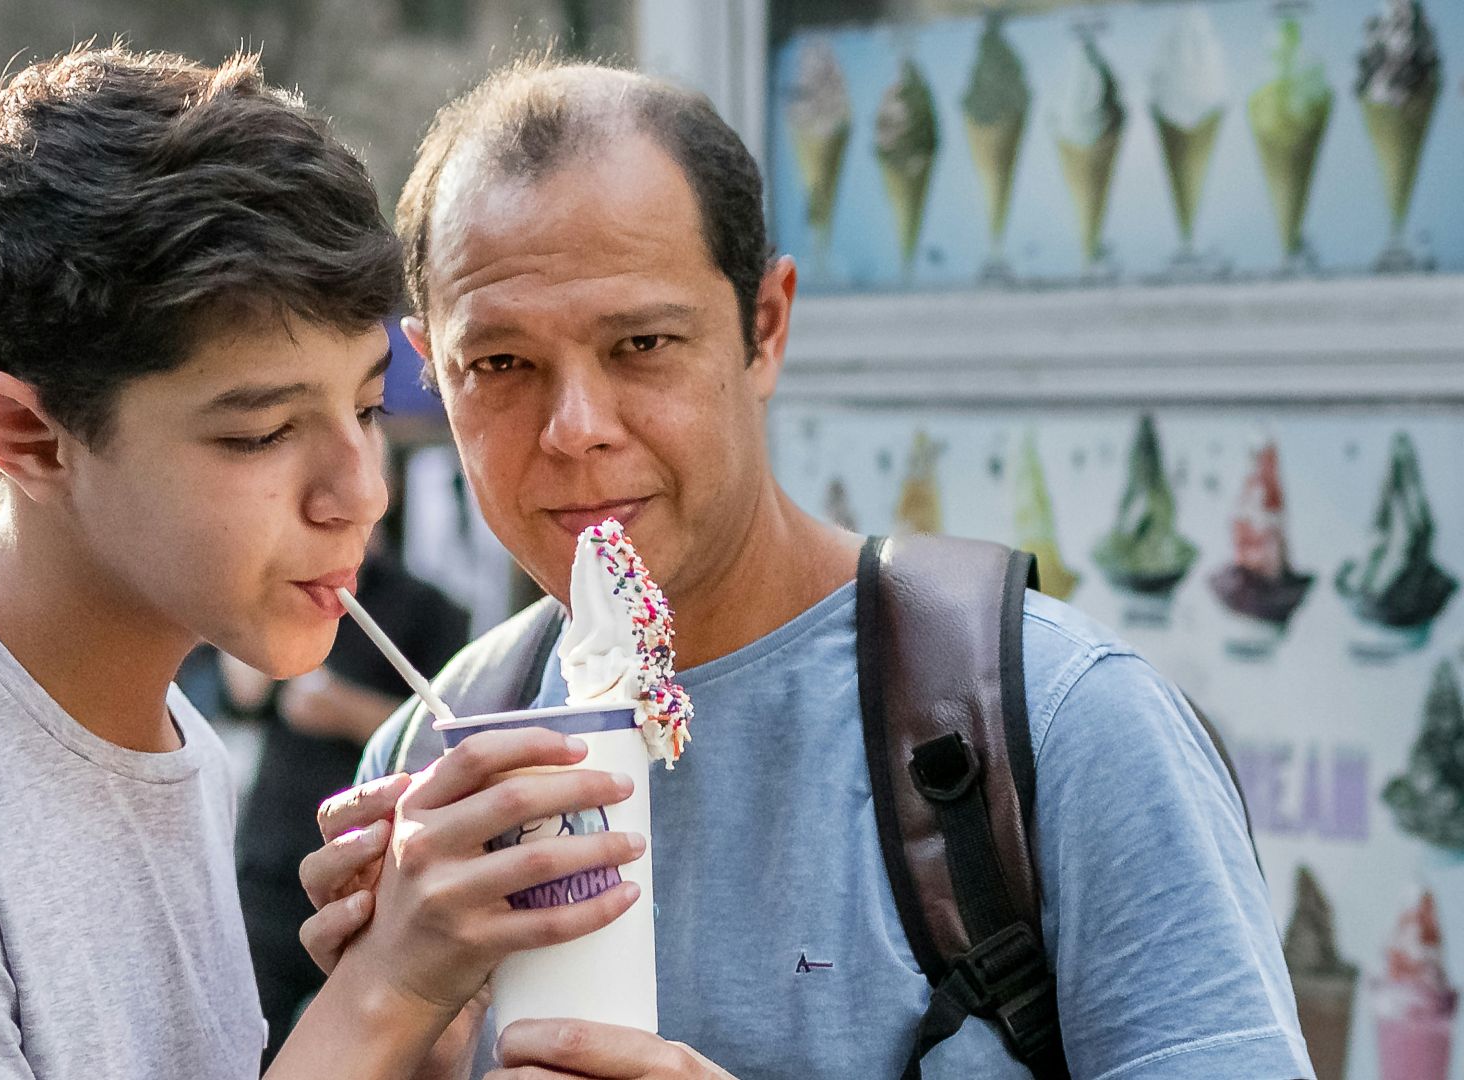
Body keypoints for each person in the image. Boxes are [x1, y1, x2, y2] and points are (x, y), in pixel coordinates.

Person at [0, 46, 644, 1080]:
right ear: (29, 439)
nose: (359, 493)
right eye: (260, 433)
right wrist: (382, 995)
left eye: (361, 408)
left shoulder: (186, 752)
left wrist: (421, 1047)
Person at [309, 59, 1314, 1078]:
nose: (575, 431)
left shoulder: (1061, 726)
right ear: (431, 368)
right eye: (501, 365)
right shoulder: (433, 756)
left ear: (766, 327)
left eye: (642, 343)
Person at [228, 544, 471, 1064]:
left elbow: (443, 734)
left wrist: (341, 707)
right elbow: (244, 697)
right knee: (242, 1048)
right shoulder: (278, 593)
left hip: (371, 879)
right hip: (269, 864)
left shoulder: (427, 607)